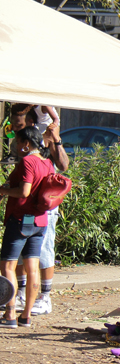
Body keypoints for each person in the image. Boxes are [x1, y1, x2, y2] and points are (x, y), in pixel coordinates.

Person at [9, 104, 69, 316]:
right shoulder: (24, 145)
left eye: (19, 125)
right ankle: (23, 294)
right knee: (22, 254)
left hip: (43, 208)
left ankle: (45, 297)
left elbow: (63, 165)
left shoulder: (44, 144)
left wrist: (56, 138)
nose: (16, 129)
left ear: (32, 123)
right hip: (24, 209)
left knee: (43, 251)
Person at [0, 127, 56, 329]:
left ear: (26, 143)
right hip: (40, 221)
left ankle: (10, 313)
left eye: (16, 141)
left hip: (20, 219)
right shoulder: (47, 162)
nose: (15, 145)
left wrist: (3, 190)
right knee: (33, 268)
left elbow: (24, 192)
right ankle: (26, 316)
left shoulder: (28, 161)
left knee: (8, 267)